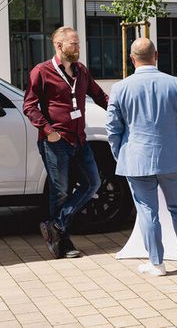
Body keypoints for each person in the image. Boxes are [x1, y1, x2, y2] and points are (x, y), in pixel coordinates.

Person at [105, 38, 177, 276]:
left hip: (135, 158)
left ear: (131, 58)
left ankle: (157, 263)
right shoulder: (176, 84)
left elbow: (112, 129)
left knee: (147, 210)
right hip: (170, 156)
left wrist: (121, 154)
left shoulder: (119, 88)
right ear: (156, 55)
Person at [24, 26, 109, 259]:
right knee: (60, 192)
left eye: (78, 43)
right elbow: (29, 106)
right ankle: (63, 243)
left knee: (93, 183)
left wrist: (119, 111)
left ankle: (57, 225)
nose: (78, 47)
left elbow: (100, 96)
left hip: (80, 139)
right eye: (74, 44)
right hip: (56, 142)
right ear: (58, 45)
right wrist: (48, 130)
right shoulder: (41, 71)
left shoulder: (81, 71)